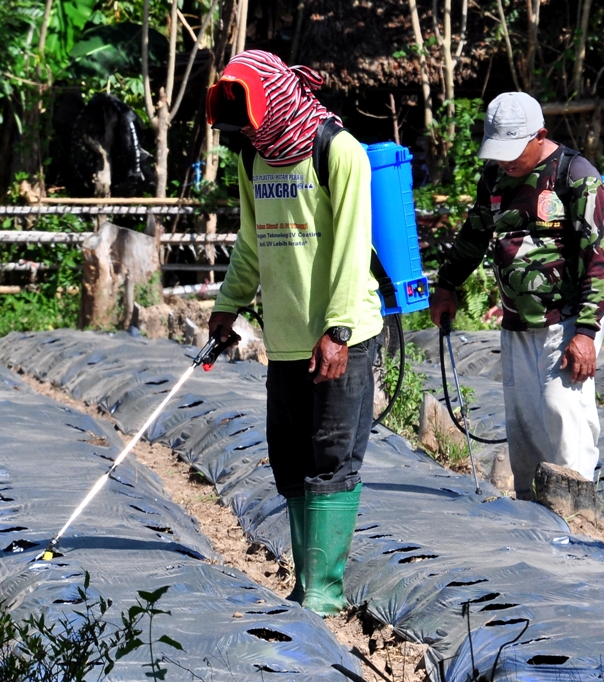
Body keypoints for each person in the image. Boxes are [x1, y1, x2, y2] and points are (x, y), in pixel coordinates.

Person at [204, 50, 382, 616]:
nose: (240, 139)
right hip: (285, 335)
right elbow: (252, 242)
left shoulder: (339, 152)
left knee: (331, 458)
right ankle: (305, 582)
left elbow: (354, 250)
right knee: (289, 458)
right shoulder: (254, 159)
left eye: (246, 127)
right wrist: (227, 304)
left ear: (273, 106)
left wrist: (339, 330)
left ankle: (324, 591)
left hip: (339, 335)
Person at [429, 92, 604, 499]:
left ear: (539, 135)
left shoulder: (575, 175)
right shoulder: (494, 178)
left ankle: (574, 522)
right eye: (499, 152)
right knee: (525, 428)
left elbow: (596, 258)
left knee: (563, 418)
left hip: (564, 324)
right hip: (516, 325)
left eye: (513, 152)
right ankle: (534, 522)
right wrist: (447, 285)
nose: (506, 161)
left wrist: (585, 332)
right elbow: (474, 235)